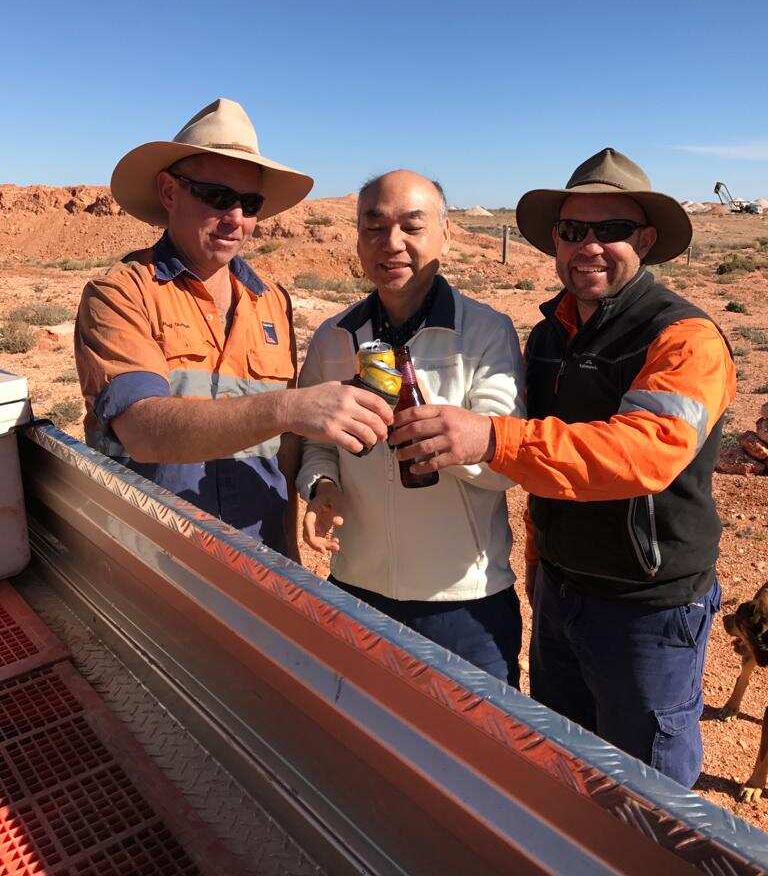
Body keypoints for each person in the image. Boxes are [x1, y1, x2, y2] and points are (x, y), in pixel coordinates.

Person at [391, 148, 736, 787]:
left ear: (648, 240)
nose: (591, 247)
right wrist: (538, 570)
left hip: (647, 607)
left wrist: (491, 438)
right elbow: (552, 469)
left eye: (612, 231)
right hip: (560, 593)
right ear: (555, 239)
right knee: (567, 766)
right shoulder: (552, 335)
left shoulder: (683, 338)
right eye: (575, 231)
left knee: (648, 789)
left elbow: (644, 453)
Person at [75, 98, 392, 558]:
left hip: (264, 559)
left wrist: (317, 490)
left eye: (249, 203)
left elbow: (285, 450)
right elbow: (142, 430)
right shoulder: (122, 293)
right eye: (218, 197)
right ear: (168, 192)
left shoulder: (271, 303)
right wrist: (288, 406)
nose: (236, 219)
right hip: (155, 559)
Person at [296, 169, 525, 684]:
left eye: (412, 227)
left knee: (474, 753)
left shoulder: (487, 332)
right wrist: (321, 485)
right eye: (374, 228)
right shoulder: (333, 338)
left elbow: (505, 465)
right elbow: (316, 443)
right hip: (357, 584)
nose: (392, 244)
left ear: (445, 234)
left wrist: (453, 440)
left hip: (464, 602)